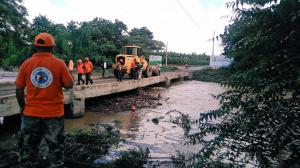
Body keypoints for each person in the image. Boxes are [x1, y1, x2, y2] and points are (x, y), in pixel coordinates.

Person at [15, 32, 73, 167]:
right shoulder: (59, 64)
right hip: (54, 115)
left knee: (28, 152)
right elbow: (69, 85)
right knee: (55, 151)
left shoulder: (26, 64)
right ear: (52, 47)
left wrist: (22, 107)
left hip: (30, 114)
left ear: (35, 47)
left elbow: (18, 89)